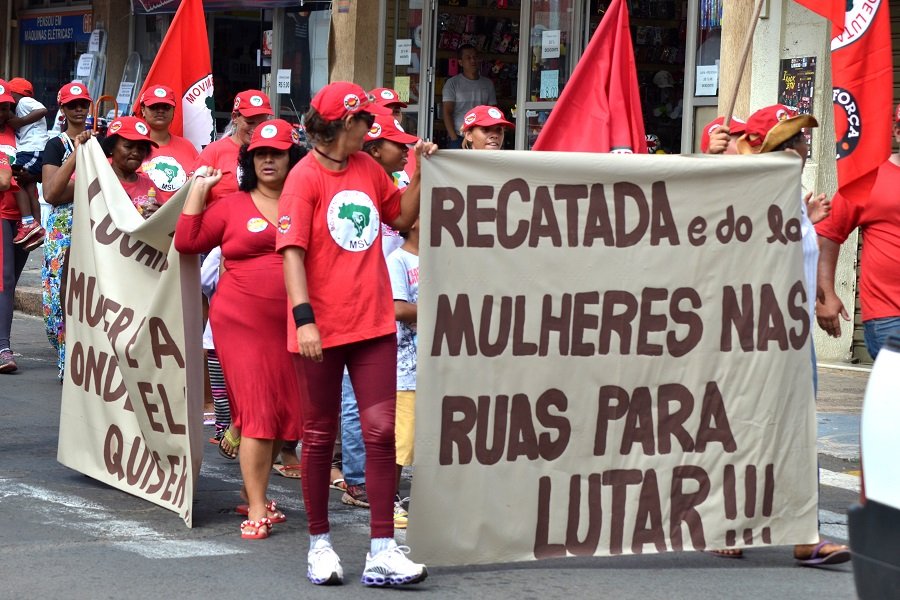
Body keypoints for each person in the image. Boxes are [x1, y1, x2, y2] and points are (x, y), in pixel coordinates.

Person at [277, 81, 435, 586]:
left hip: (372, 324)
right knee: (319, 435)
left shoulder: (367, 168)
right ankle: (319, 544)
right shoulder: (303, 178)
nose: (373, 128)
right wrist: (304, 319)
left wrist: (419, 174)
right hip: (320, 328)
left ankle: (382, 549)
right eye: (367, 120)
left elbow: (401, 215)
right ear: (347, 124)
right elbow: (291, 253)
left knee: (381, 431)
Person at [175, 118, 307, 540]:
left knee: (287, 413)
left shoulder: (307, 202)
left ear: (292, 158)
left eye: (277, 153)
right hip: (240, 322)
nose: (268, 160)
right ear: (249, 161)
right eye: (260, 154)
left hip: (293, 322)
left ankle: (256, 490)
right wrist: (199, 190)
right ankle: (256, 507)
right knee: (260, 412)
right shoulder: (232, 205)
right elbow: (187, 241)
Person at [737, 103, 849, 567]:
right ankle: (729, 524)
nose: (800, 148)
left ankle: (806, 534)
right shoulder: (748, 192)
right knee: (745, 426)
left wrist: (821, 299)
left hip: (794, 334)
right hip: (751, 333)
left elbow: (798, 258)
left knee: (799, 428)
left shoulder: (794, 198)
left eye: (800, 140)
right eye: (789, 141)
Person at [815, 103, 900, 360]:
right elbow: (829, 233)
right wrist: (826, 295)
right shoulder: (869, 177)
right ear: (897, 131)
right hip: (890, 315)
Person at [41, 82, 94, 381]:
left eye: (83, 104)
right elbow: (51, 193)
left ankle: (76, 365)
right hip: (62, 231)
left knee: (85, 297)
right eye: (72, 104)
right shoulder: (56, 145)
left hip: (93, 226)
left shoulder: (101, 141)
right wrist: (78, 154)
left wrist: (70, 185)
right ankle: (63, 351)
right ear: (62, 108)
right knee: (56, 301)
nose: (78, 109)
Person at [386, 221, 419, 531]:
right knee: (402, 441)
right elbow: (398, 308)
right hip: (407, 369)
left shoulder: (441, 259)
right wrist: (441, 308)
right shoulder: (397, 260)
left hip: (436, 368)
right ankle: (389, 499)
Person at [194, 89, 273, 204]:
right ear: (235, 117)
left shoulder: (273, 153)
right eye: (250, 122)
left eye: (262, 124)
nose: (256, 129)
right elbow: (190, 196)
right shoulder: (214, 151)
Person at [0, 81, 27, 374]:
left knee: (11, 281)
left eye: (6, 107)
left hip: (22, 216)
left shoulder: (17, 132)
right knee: (4, 281)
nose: (3, 112)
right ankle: (3, 348)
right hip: (1, 214)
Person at [137, 84, 199, 203]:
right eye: (154, 106)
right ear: (143, 110)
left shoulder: (187, 146)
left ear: (173, 111)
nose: (160, 111)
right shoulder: (133, 147)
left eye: (166, 107)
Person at [6, 78, 48, 250]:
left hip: (32, 149)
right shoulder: (18, 109)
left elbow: (43, 110)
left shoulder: (24, 101)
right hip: (30, 150)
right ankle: (37, 227)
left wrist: (21, 122)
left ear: (15, 93)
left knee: (14, 178)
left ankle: (28, 222)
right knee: (30, 187)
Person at [100, 116, 161, 218]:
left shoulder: (149, 185)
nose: (136, 153)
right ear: (111, 148)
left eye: (141, 148)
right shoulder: (97, 177)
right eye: (128, 146)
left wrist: (157, 215)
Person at [441, 45, 497, 148]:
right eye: (468, 58)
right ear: (460, 62)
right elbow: (447, 112)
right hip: (459, 136)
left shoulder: (488, 84)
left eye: (475, 57)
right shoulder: (452, 83)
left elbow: (493, 112)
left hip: (482, 136)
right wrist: (454, 138)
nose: (473, 60)